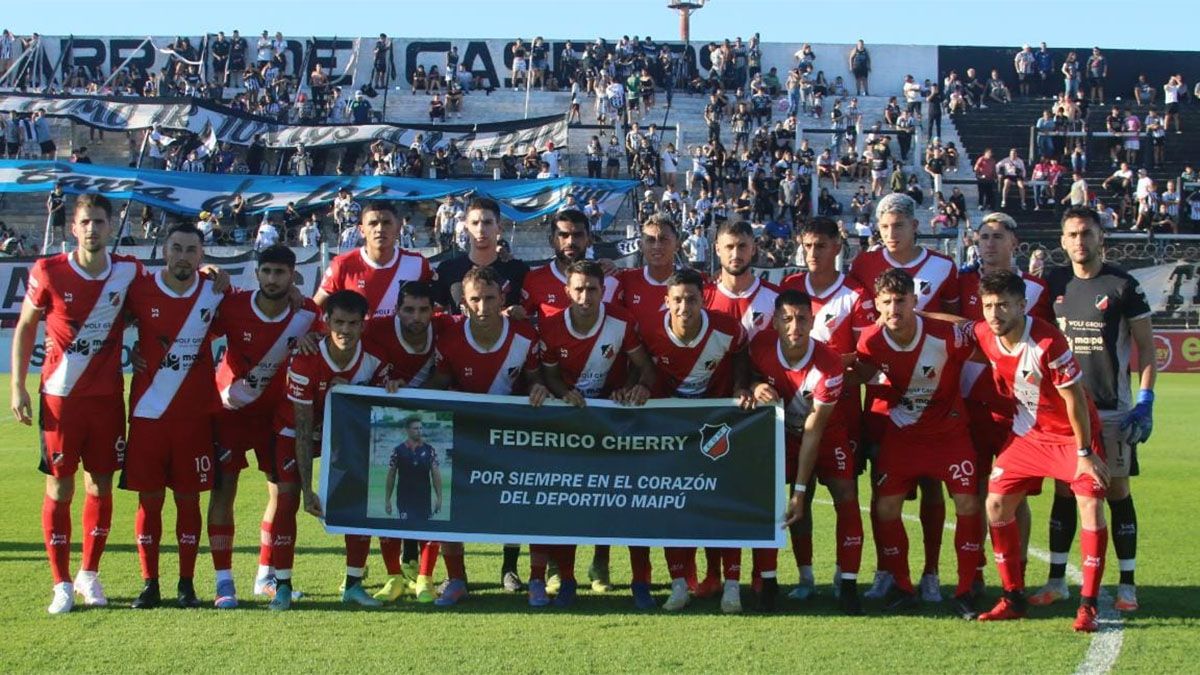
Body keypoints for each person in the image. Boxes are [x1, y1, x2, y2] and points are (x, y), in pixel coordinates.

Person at [9, 194, 139, 613]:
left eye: (99, 222)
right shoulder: (48, 270)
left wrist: (209, 272)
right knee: (60, 486)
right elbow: (26, 326)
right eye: (85, 222)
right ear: (73, 227)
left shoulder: (128, 272)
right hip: (60, 400)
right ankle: (60, 582)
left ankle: (89, 574)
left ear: (111, 226)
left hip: (106, 401)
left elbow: (166, 297)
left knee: (100, 486)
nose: (92, 229)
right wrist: (17, 386)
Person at [969, 270, 1110, 633]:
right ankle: (1012, 597)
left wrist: (1084, 451)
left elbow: (1075, 399)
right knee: (996, 503)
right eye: (987, 306)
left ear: (1022, 304)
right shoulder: (985, 333)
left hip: (1071, 436)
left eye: (1003, 305)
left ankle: (1088, 606)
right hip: (1029, 435)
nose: (994, 314)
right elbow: (957, 326)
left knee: (1091, 506)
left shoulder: (1048, 341)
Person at [1030, 207, 1156, 613]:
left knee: (1116, 491)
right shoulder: (1055, 284)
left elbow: (1148, 350)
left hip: (1113, 411)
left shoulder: (1124, 286)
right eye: (1072, 234)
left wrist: (1145, 400)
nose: (1079, 242)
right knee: (1065, 491)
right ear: (1062, 241)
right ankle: (1056, 581)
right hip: (1067, 412)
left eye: (1086, 233)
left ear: (1101, 237)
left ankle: (1128, 585)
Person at [853, 269, 985, 617]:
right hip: (903, 434)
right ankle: (903, 585)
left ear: (915, 301)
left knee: (969, 504)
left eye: (901, 300)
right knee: (885, 508)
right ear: (877, 305)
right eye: (887, 302)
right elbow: (861, 372)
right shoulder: (870, 340)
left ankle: (966, 588)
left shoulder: (948, 335)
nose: (894, 308)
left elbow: (989, 346)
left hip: (949, 434)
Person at [849, 193, 960, 602]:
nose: (891, 234)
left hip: (932, 395)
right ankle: (886, 569)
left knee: (933, 485)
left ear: (916, 225)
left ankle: (931, 572)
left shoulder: (943, 267)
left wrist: (915, 320)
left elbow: (957, 326)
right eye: (884, 227)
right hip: (883, 394)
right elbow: (862, 326)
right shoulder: (863, 265)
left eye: (899, 225)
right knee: (882, 489)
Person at [422, 266, 548, 606]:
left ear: (502, 299)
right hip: (465, 436)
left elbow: (535, 378)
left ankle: (536, 579)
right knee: (450, 504)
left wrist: (538, 389)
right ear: (463, 303)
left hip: (512, 435)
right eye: (475, 300)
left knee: (527, 503)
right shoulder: (449, 338)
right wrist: (399, 396)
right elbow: (439, 382)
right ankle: (456, 578)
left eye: (489, 298)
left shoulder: (524, 336)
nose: (482, 307)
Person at [537, 260, 657, 608]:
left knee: (630, 503)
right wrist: (563, 393)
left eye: (592, 289)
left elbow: (645, 369)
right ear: (566, 292)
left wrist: (634, 389)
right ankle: (568, 580)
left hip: (613, 427)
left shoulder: (620, 321)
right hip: (571, 427)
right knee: (568, 504)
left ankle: (641, 582)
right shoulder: (551, 326)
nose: (585, 296)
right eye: (578, 289)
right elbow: (550, 375)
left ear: (604, 291)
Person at [122, 224, 228, 609]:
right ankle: (149, 583)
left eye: (191, 250)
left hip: (194, 417)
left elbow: (255, 312)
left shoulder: (216, 291)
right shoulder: (140, 290)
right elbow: (103, 318)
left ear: (202, 255)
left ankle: (186, 584)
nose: (183, 256)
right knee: (149, 502)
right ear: (165, 251)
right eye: (177, 248)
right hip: (149, 415)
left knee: (188, 501)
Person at [267, 290, 394, 611]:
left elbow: (376, 411)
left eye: (353, 323)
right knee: (287, 499)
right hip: (295, 432)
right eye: (338, 322)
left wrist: (390, 387)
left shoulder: (375, 359)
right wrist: (309, 488)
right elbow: (303, 426)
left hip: (343, 435)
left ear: (364, 325)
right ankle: (282, 585)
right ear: (325, 322)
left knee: (359, 499)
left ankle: (353, 584)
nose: (346, 330)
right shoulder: (305, 359)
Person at [208, 245, 319, 608]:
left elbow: (335, 336)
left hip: (278, 416)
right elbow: (194, 327)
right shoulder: (234, 305)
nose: (273, 279)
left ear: (293, 276)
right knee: (224, 491)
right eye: (267, 271)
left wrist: (314, 340)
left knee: (282, 495)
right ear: (257, 273)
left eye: (281, 273)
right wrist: (208, 271)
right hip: (232, 411)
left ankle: (265, 576)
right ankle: (223, 581)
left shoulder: (309, 314)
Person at [777, 218, 874, 610]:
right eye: (807, 245)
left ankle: (845, 577)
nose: (812, 253)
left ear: (838, 246)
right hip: (791, 419)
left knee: (844, 496)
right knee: (798, 497)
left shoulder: (855, 294)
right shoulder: (787, 290)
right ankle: (804, 577)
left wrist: (830, 369)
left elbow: (869, 364)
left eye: (820, 245)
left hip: (840, 417)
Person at [639, 268, 749, 613]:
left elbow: (743, 353)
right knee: (674, 506)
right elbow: (644, 368)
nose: (684, 306)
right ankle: (678, 584)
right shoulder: (652, 330)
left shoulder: (727, 328)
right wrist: (641, 386)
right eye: (677, 299)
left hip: (718, 427)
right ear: (666, 301)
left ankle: (732, 585)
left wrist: (740, 386)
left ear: (704, 299)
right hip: (673, 430)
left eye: (691, 299)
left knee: (725, 505)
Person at [360, 281, 449, 602]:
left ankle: (425, 576)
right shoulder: (375, 329)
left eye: (424, 309)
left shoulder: (446, 328)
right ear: (397, 309)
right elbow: (338, 335)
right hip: (384, 427)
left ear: (433, 310)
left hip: (431, 427)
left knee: (430, 508)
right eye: (409, 309)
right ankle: (393, 577)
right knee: (388, 508)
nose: (417, 316)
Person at [316, 201, 434, 318]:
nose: (380, 229)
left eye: (386, 223)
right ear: (362, 230)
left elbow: (437, 309)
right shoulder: (342, 265)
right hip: (361, 337)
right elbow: (315, 309)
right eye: (373, 223)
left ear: (398, 228)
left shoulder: (418, 264)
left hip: (401, 337)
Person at [434, 197, 529, 318]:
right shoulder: (448, 269)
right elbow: (436, 316)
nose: (480, 229)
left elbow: (529, 314)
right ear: (466, 228)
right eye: (475, 223)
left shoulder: (518, 270)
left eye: (487, 222)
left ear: (499, 228)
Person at [520, 210, 617, 320]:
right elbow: (523, 322)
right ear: (552, 241)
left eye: (578, 235)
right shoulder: (534, 280)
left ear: (589, 240)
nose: (571, 242)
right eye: (563, 235)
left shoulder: (609, 275)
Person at [615, 213, 687, 329]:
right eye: (650, 240)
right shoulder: (624, 280)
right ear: (640, 246)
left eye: (664, 239)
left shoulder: (698, 281)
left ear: (677, 245)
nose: (657, 246)